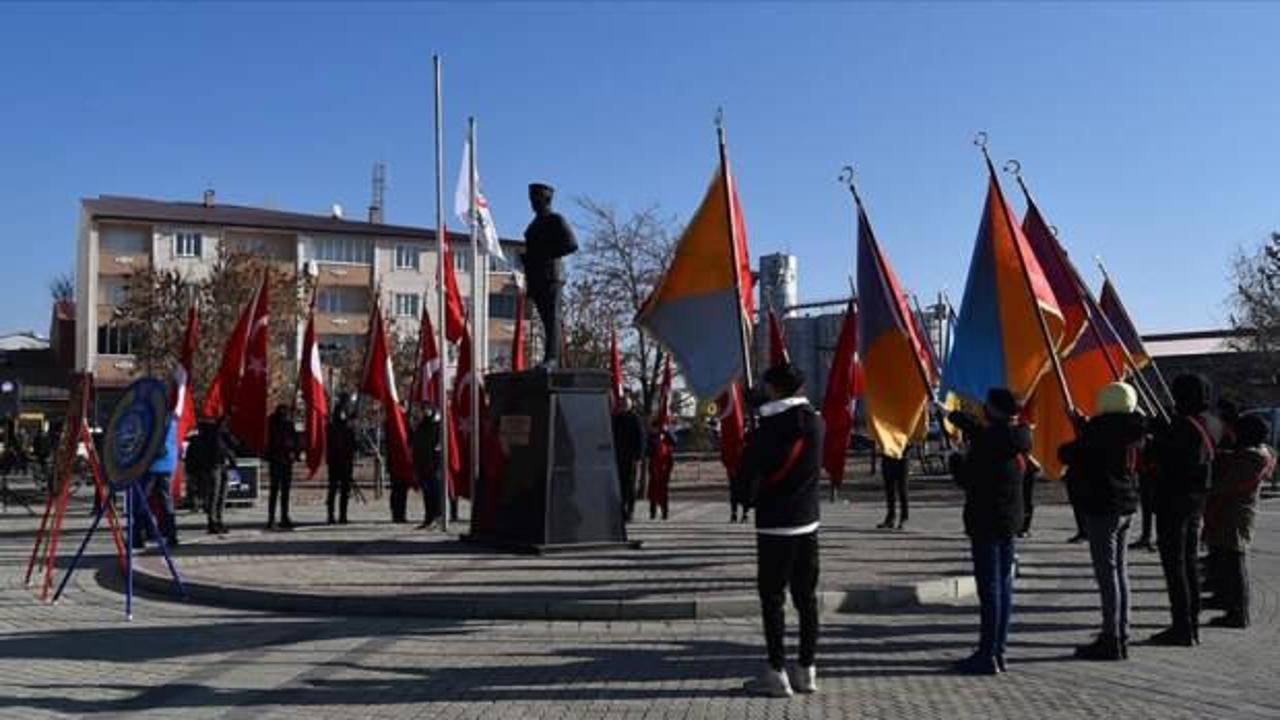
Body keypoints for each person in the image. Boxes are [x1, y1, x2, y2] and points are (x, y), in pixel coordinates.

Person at [738, 362, 823, 698]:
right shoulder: (816, 422)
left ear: (773, 388)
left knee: (773, 601)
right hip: (808, 521)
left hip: (775, 525)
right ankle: (807, 668)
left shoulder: (767, 430)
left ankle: (776, 672)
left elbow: (748, 478)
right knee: (807, 599)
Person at [1059, 382, 1147, 660]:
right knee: (1120, 573)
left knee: (1107, 575)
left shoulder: (1099, 431)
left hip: (1102, 507)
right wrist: (1083, 426)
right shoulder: (1137, 428)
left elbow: (1068, 453)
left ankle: (1111, 637)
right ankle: (1121, 631)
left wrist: (1082, 428)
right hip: (1127, 506)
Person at [947, 388, 1031, 675]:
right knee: (1004, 587)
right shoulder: (1017, 437)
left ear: (993, 410)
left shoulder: (987, 444)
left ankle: (986, 655)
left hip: (986, 521)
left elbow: (971, 481)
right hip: (1009, 521)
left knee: (990, 589)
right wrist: (953, 416)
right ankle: (999, 650)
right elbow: (981, 431)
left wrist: (955, 462)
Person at [1148, 374, 1218, 646]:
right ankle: (1192, 623)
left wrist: (1155, 438)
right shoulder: (1209, 423)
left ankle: (1182, 626)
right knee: (1188, 563)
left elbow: (1169, 457)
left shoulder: (1183, 426)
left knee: (1175, 565)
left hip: (1175, 499)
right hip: (1197, 499)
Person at [1202, 414, 1274, 629]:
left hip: (1235, 516)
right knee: (1227, 559)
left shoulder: (1251, 458)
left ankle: (1239, 612)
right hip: (1231, 514)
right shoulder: (1250, 455)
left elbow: (1228, 484)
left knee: (1235, 562)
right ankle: (1227, 600)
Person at [139, 407, 181, 548]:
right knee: (166, 500)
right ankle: (171, 535)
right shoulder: (172, 419)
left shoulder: (151, 419)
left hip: (152, 463)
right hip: (168, 463)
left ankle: (140, 535)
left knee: (143, 500)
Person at [189, 417, 235, 534]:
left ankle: (218, 520)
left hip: (222, 465)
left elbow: (231, 445)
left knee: (221, 495)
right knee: (214, 495)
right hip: (213, 466)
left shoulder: (223, 434)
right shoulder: (211, 434)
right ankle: (213, 521)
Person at [611, 395, 646, 522]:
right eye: (620, 404)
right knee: (618, 485)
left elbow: (640, 439)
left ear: (630, 405)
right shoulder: (614, 419)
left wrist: (638, 457)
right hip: (617, 457)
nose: (622, 406)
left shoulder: (635, 419)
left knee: (629, 485)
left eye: (625, 404)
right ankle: (620, 509)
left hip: (630, 458)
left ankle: (630, 510)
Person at [266, 404, 298, 531]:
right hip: (276, 460)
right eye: (283, 411)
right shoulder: (271, 424)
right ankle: (271, 518)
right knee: (274, 491)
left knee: (285, 492)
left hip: (286, 461)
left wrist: (294, 451)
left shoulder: (289, 425)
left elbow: (294, 440)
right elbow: (272, 441)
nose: (284, 414)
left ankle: (284, 516)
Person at [411, 405, 442, 528]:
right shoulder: (422, 425)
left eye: (427, 408)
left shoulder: (438, 425)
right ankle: (428, 518)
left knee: (435, 491)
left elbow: (438, 445)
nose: (424, 411)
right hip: (423, 462)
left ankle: (437, 516)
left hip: (434, 463)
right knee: (427, 492)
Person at [326, 407, 357, 525]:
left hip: (346, 463)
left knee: (344, 491)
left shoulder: (348, 429)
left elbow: (353, 446)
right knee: (333, 490)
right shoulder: (331, 428)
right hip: (335, 463)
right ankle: (331, 515)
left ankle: (343, 515)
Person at [647, 421, 675, 521]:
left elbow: (674, 442)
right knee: (653, 490)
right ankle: (652, 512)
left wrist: (666, 432)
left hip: (664, 467)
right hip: (654, 466)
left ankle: (665, 512)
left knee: (663, 491)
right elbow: (647, 450)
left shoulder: (666, 436)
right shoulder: (650, 437)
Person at [877, 453, 909, 529]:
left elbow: (912, 441)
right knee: (889, 489)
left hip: (902, 457)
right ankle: (891, 517)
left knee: (902, 489)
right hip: (887, 457)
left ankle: (904, 517)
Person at [1018, 455, 1043, 538]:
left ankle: (1024, 528)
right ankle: (1022, 528)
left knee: (1026, 499)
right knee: (1024, 499)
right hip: (1022, 466)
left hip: (1027, 467)